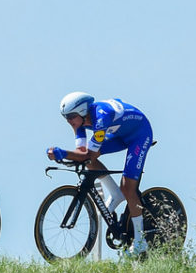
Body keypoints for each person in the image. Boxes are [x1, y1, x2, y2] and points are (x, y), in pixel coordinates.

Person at [47, 92, 153, 255]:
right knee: (89, 160)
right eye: (65, 117)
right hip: (120, 133)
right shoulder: (79, 123)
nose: (69, 121)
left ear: (82, 111)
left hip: (139, 134)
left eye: (71, 116)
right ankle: (115, 193)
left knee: (128, 188)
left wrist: (64, 153)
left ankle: (140, 242)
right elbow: (81, 151)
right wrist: (62, 155)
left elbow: (87, 154)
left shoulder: (101, 118)